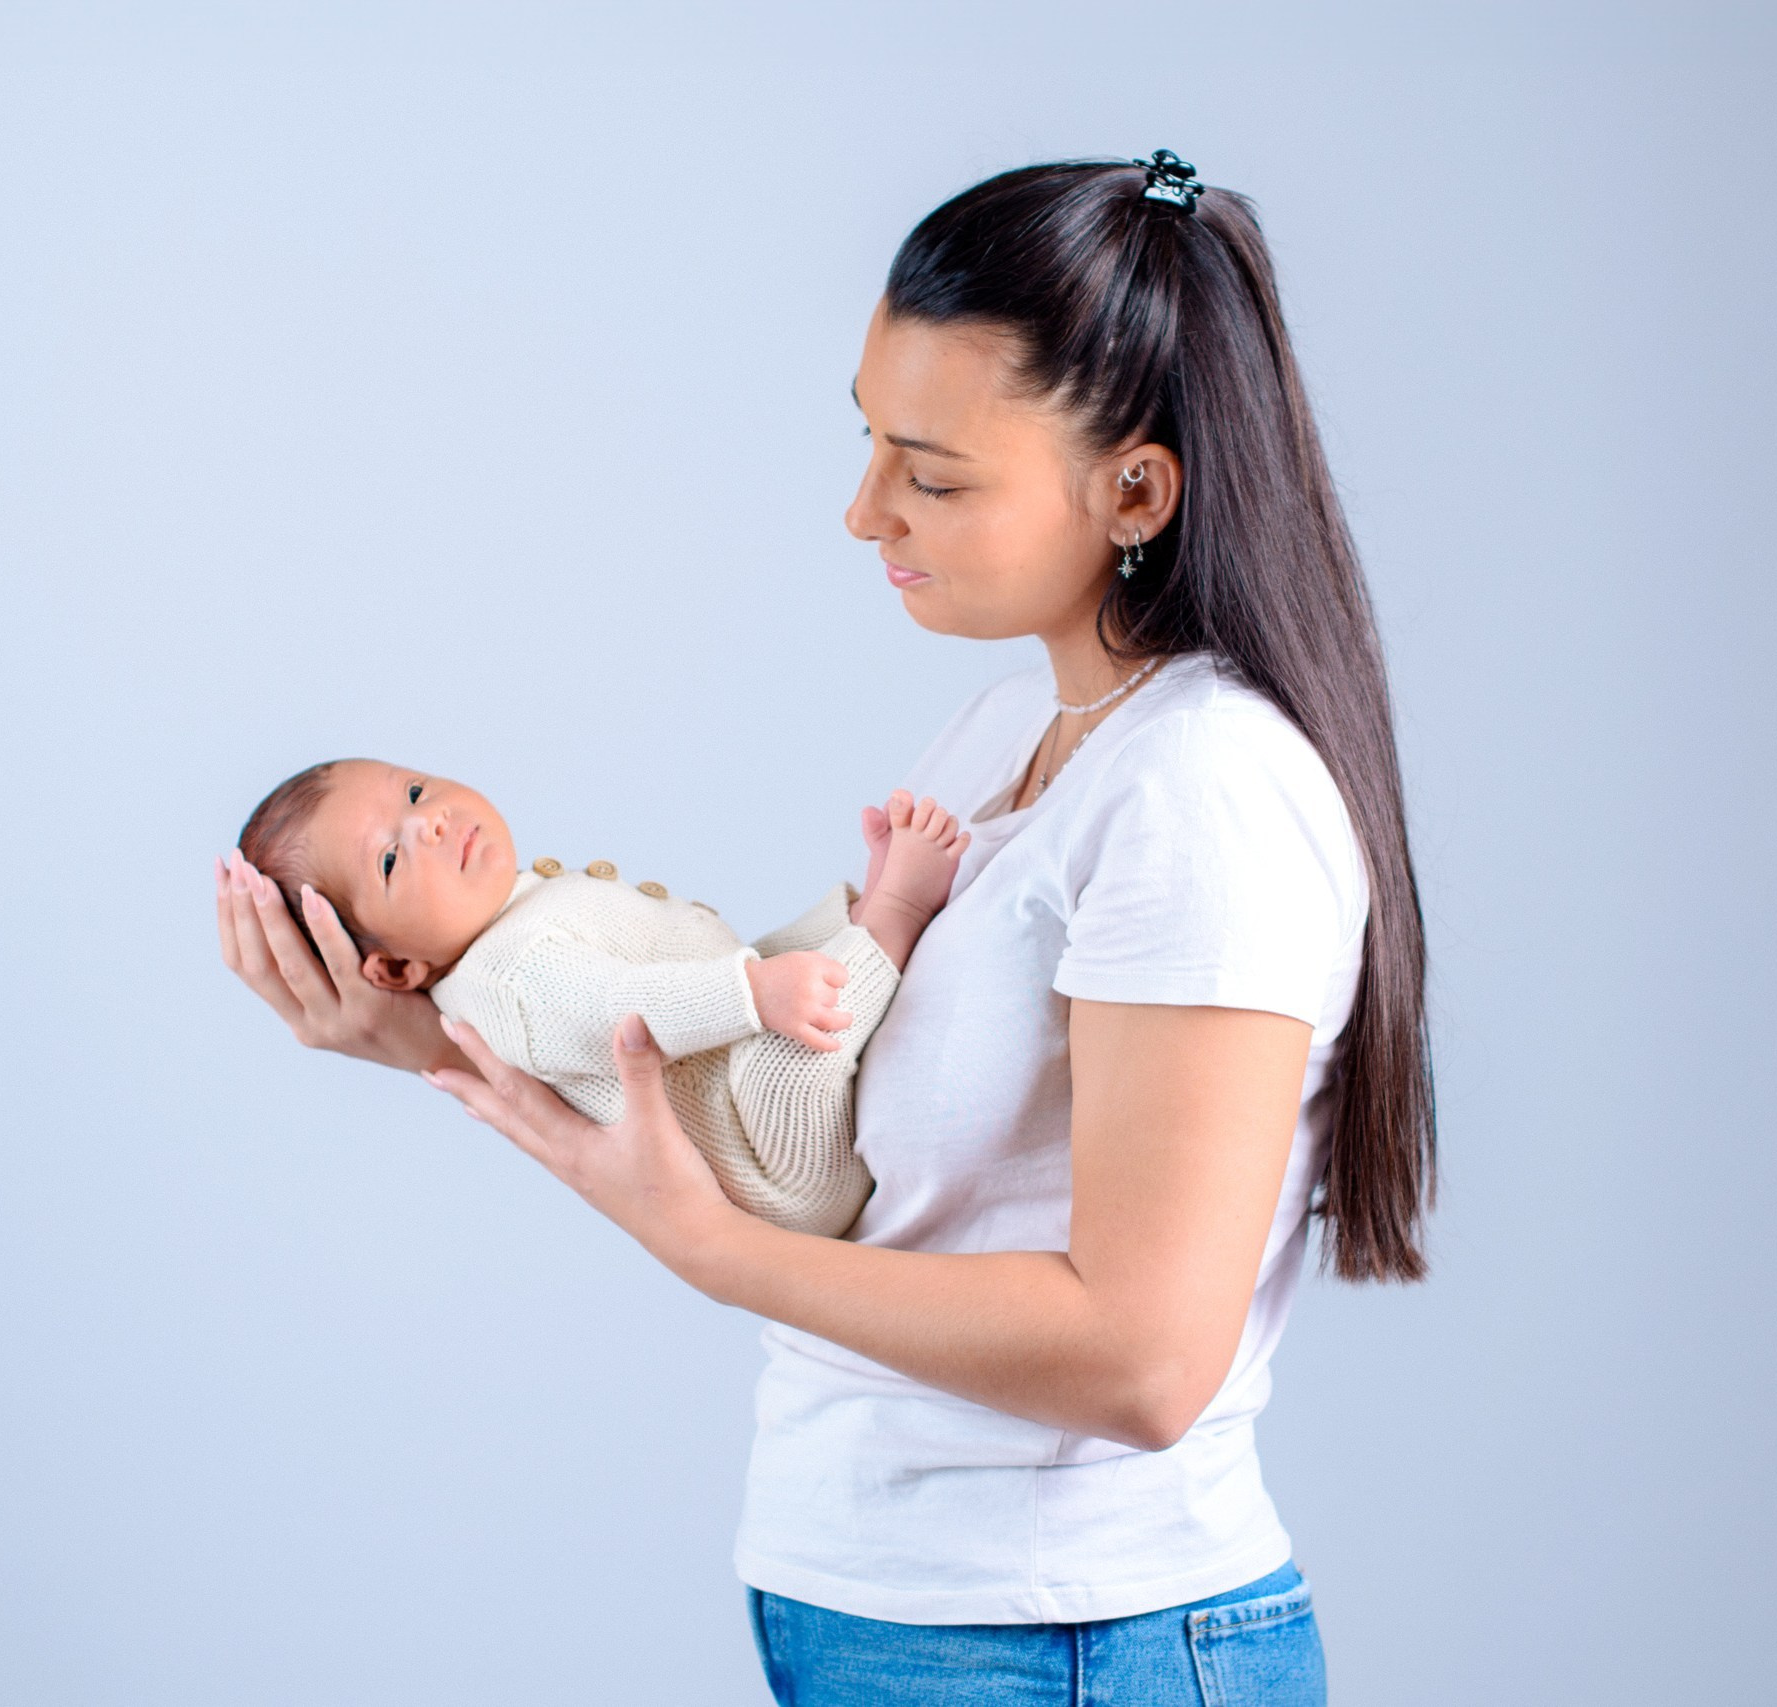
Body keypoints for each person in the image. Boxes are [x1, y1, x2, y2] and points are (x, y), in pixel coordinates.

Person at [215, 149, 1434, 1705]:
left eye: (929, 472)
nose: (862, 510)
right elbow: (793, 1144)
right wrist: (432, 1030)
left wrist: (711, 1256)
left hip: (1066, 1635)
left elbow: (1141, 1356)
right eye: (867, 440)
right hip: (885, 1605)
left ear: (1134, 488)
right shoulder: (1004, 736)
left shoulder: (1202, 791)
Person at [227, 758, 967, 1236]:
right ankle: (897, 911)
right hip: (778, 1168)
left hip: (730, 1054)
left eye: (415, 791)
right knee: (789, 1047)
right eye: (391, 857)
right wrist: (750, 991)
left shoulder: (510, 910)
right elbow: (628, 1007)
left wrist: (756, 980)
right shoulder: (504, 980)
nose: (431, 820)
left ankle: (862, 912)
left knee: (777, 971)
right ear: (393, 971)